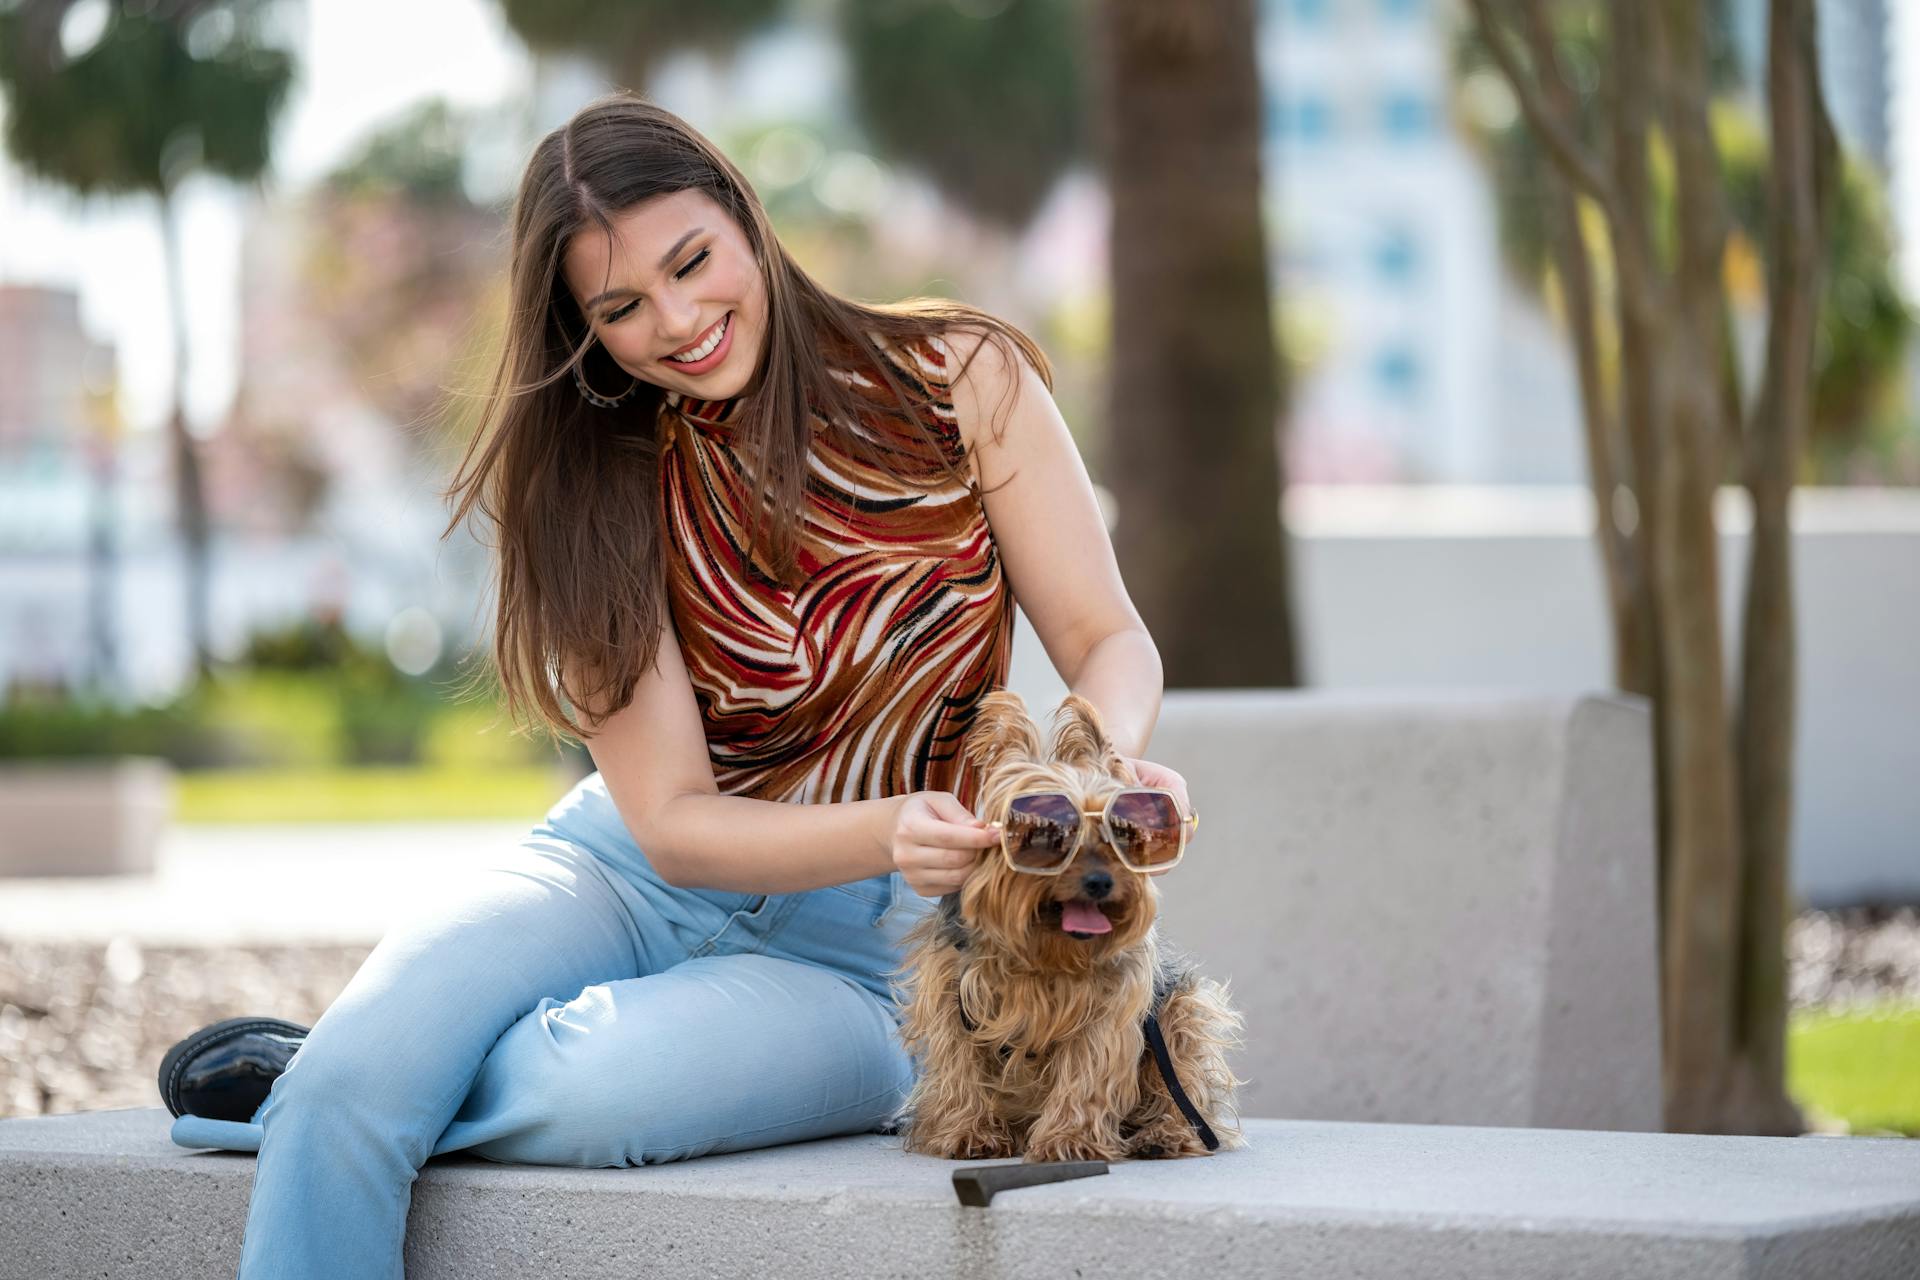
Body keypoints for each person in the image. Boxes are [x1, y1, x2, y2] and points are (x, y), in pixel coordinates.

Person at [160, 90, 1192, 1279]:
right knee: (353, 1079)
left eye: (694, 261)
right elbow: (677, 826)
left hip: (872, 956)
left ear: (745, 220)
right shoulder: (593, 483)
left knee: (583, 1088)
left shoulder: (964, 378)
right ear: (583, 330)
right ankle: (347, 1077)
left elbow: (1109, 636)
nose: (680, 319)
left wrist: (1087, 773)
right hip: (618, 869)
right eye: (622, 308)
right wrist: (892, 824)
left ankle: (359, 1077)